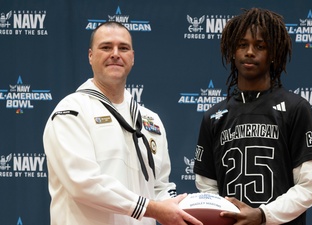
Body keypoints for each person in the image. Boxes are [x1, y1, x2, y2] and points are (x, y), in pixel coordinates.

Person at [43, 21, 202, 225]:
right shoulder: (71, 112)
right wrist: (153, 209)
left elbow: (160, 187)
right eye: (106, 47)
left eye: (123, 48)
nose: (116, 54)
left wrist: (180, 209)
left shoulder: (150, 120)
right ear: (90, 56)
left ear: (132, 58)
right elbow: (83, 183)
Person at [193, 8, 312, 225]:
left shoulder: (295, 108)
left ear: (273, 54)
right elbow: (206, 185)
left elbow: (308, 187)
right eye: (242, 45)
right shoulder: (214, 116)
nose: (250, 52)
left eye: (260, 46)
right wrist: (223, 215)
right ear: (232, 52)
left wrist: (262, 215)